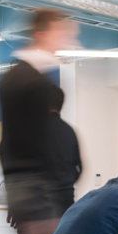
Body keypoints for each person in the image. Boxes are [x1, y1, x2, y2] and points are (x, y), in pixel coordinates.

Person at [0, 7, 77, 234]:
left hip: (24, 187)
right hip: (38, 189)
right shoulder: (34, 82)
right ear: (42, 33)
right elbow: (38, 146)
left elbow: (5, 144)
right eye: (60, 34)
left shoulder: (12, 77)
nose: (63, 41)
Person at [45, 84, 82, 217]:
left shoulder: (35, 131)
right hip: (66, 203)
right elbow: (79, 168)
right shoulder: (69, 131)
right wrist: (66, 183)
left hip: (42, 207)